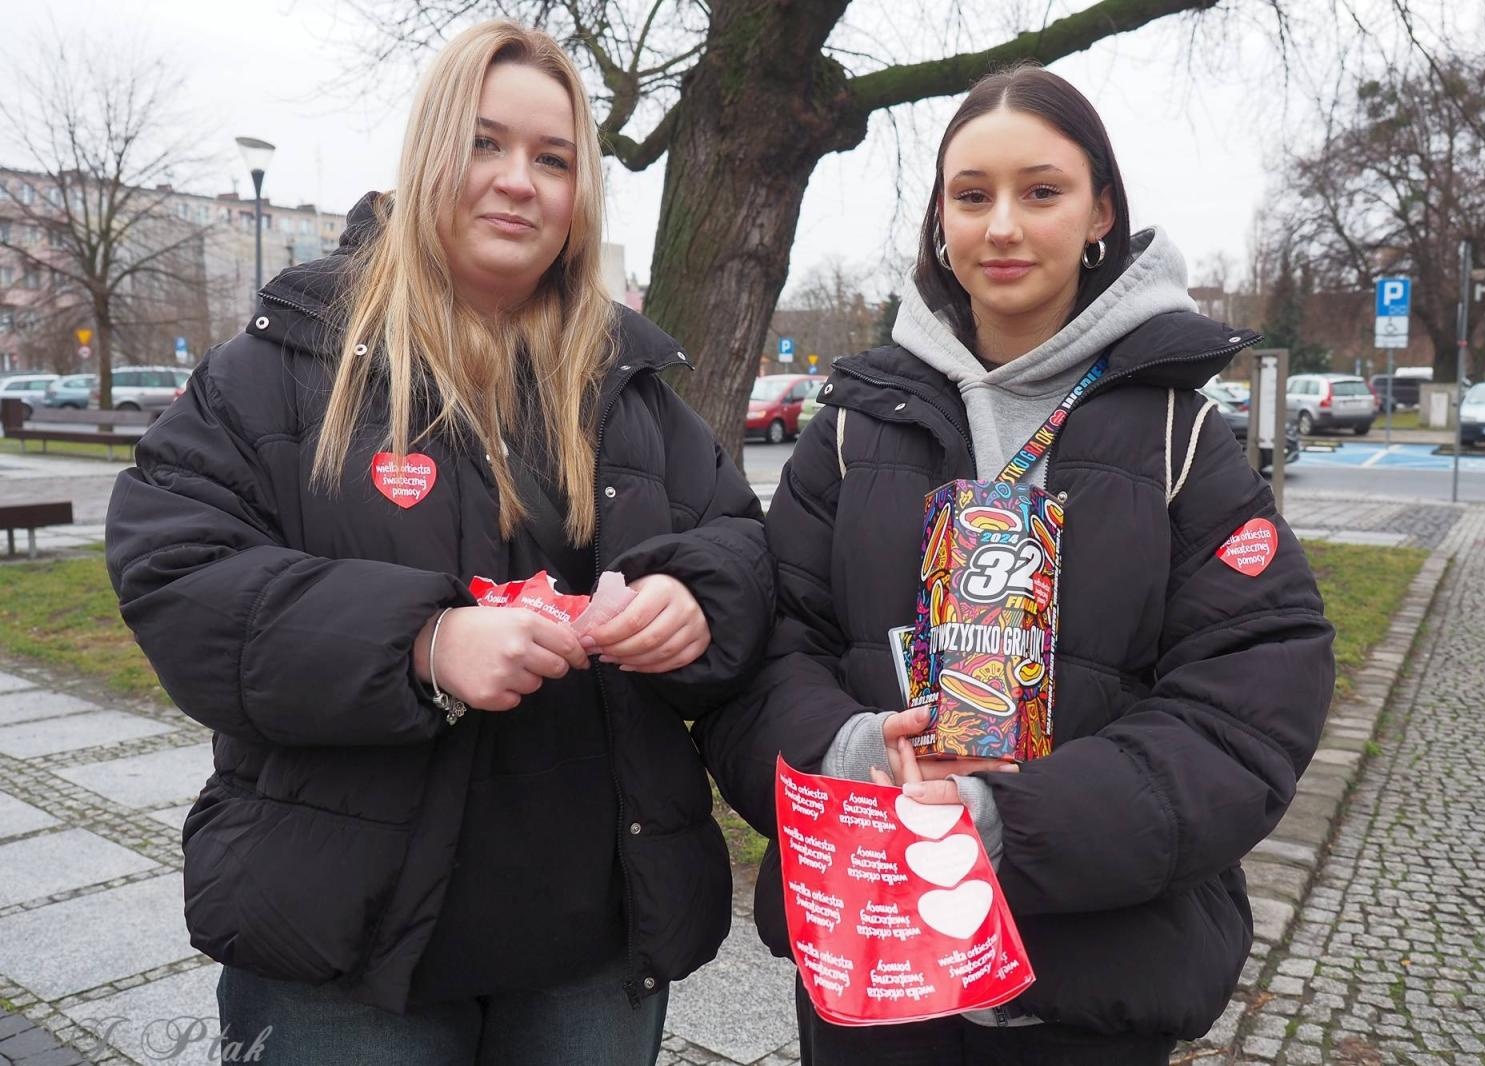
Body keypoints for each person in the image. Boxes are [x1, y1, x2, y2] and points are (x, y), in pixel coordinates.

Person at [104, 21, 773, 1065]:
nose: (518, 182)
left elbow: (735, 541)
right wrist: (422, 645)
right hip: (346, 951)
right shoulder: (287, 361)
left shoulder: (629, 384)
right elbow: (177, 572)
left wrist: (696, 600)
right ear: (428, 155)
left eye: (552, 159)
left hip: (594, 946)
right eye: (484, 142)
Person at [695, 64, 1335, 1064]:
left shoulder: (1180, 439)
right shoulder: (855, 430)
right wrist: (850, 754)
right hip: (876, 968)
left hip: (1088, 991)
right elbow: (764, 657)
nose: (1001, 226)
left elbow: (1248, 704)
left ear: (1099, 214)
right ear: (939, 223)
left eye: (1041, 192)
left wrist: (1004, 819)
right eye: (971, 194)